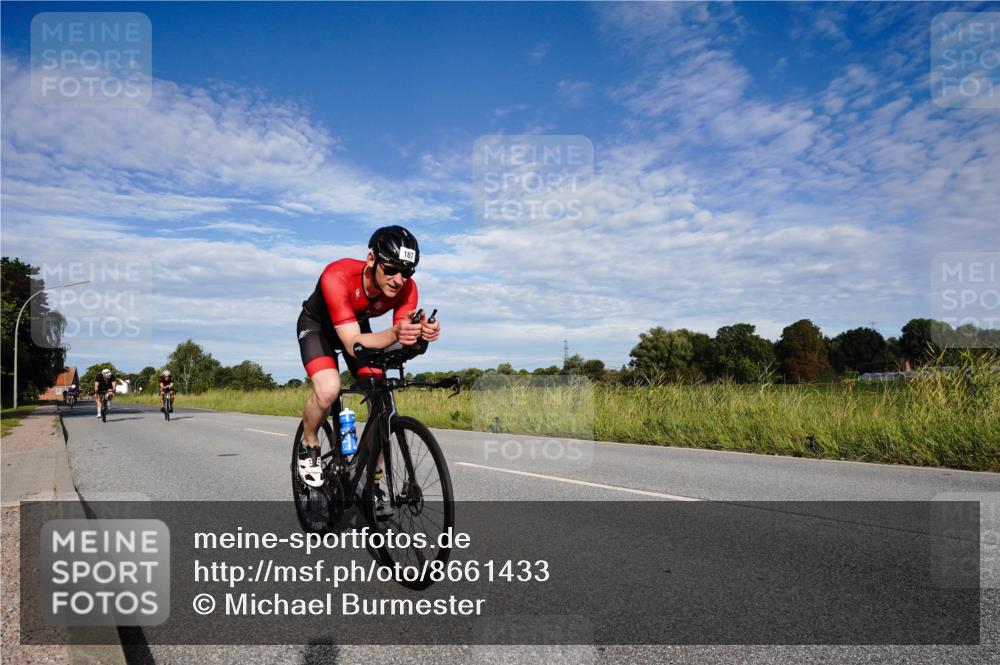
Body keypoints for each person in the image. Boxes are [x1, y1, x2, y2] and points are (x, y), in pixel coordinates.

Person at [296, 225, 440, 492]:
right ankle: (310, 441)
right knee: (328, 390)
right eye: (391, 269)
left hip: (356, 325)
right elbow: (352, 345)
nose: (399, 279)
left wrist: (419, 337)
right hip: (318, 327)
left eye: (406, 272)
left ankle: (371, 476)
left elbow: (398, 340)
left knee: (381, 400)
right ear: (371, 259)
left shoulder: (407, 289)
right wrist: (396, 332)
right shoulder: (337, 276)